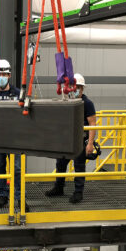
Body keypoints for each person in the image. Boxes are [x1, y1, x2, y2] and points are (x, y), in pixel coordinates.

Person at [0, 59, 29, 211]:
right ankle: (2, 195)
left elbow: (27, 114)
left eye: (4, 73)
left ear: (9, 75)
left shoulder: (18, 93)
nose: (2, 76)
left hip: (16, 139)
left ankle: (20, 198)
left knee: (17, 169)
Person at [45, 73, 96, 203]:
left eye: (78, 87)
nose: (75, 89)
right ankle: (59, 187)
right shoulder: (66, 102)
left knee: (79, 166)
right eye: (73, 86)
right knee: (60, 164)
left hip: (79, 140)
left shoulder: (87, 103)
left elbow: (92, 124)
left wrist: (90, 144)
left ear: (82, 88)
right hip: (65, 140)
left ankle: (78, 192)